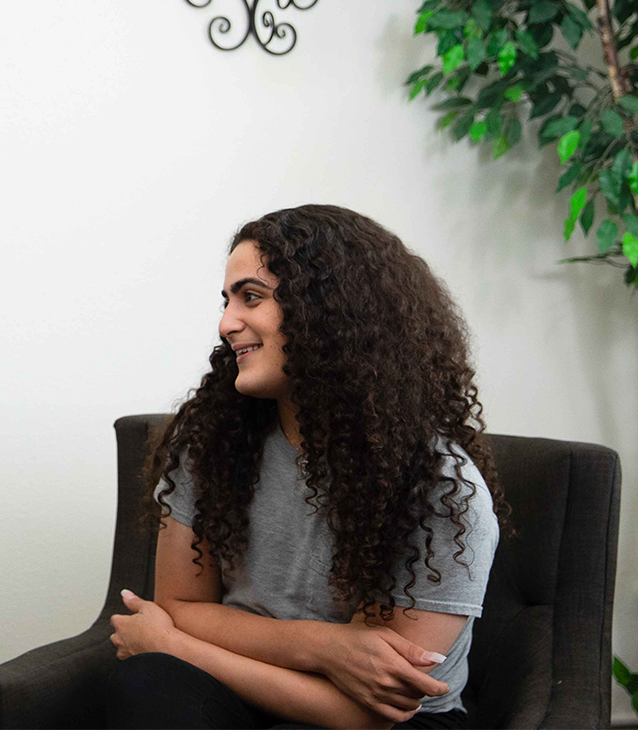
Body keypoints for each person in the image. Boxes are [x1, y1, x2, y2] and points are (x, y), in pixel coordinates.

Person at [103, 204, 505, 729]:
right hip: (240, 685)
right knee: (147, 682)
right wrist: (324, 645)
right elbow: (179, 605)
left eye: (251, 297)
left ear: (329, 311)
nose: (226, 324)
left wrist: (172, 645)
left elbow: (368, 711)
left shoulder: (443, 490)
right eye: (227, 301)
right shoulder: (210, 441)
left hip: (393, 723)